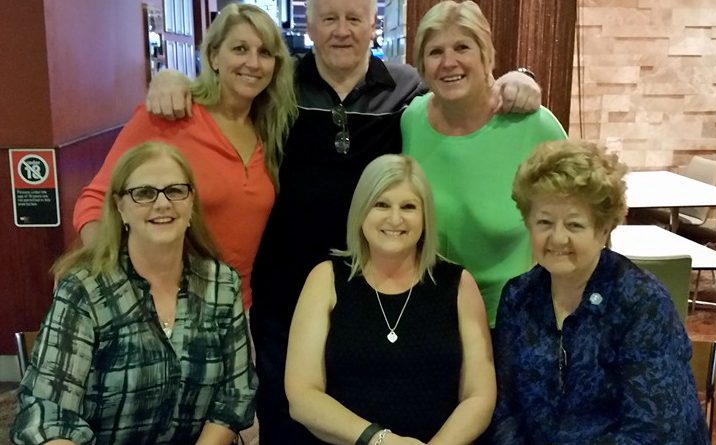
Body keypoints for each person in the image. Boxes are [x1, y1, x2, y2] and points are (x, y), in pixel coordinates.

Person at [144, 1, 540, 442]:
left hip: (377, 283)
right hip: (286, 286)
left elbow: (459, 91)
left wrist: (520, 77)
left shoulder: (405, 90)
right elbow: (226, 93)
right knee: (288, 417)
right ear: (309, 25)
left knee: (393, 400)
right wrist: (172, 79)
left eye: (354, 18)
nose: (342, 30)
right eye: (329, 18)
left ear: (373, 26)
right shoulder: (280, 84)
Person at [12, 142, 257, 444]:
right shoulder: (85, 289)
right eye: (144, 193)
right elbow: (47, 414)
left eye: (175, 190)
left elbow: (234, 396)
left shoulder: (221, 284)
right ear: (120, 207)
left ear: (191, 201)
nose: (163, 203)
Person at [73, 3, 298, 310]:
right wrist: (114, 281)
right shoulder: (171, 115)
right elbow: (94, 200)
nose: (253, 63)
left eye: (265, 53)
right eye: (240, 49)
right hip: (163, 307)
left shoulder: (270, 129)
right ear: (214, 56)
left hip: (236, 308)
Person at [486, 139, 709, 444]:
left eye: (574, 225)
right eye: (544, 222)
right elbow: (506, 411)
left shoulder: (641, 303)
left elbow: (654, 431)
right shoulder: (518, 296)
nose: (557, 238)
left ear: (604, 229)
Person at [285, 154, 495, 445]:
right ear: (361, 211)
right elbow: (302, 396)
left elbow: (479, 396)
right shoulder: (325, 279)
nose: (395, 219)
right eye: (381, 204)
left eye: (408, 207)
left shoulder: (458, 284)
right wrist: (381, 440)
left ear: (425, 217)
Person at [402, 0, 567, 327]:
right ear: (421, 65)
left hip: (514, 317)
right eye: (435, 52)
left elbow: (587, 214)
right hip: (430, 310)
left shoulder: (534, 126)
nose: (449, 62)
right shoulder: (412, 120)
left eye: (462, 47)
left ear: (486, 55)